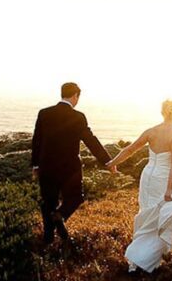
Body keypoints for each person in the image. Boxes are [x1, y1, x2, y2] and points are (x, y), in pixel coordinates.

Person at [31, 82, 114, 253]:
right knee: (76, 198)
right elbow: (90, 140)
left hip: (46, 166)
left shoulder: (44, 113)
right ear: (75, 95)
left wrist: (35, 165)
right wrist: (107, 161)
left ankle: (48, 239)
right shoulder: (78, 117)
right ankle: (60, 217)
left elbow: (36, 140)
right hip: (70, 169)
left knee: (49, 203)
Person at [107, 99, 172, 273]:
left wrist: (112, 162)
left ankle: (141, 256)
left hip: (148, 176)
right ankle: (148, 258)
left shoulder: (151, 131)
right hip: (164, 178)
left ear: (162, 112)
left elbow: (130, 149)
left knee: (147, 213)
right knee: (162, 216)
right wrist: (170, 188)